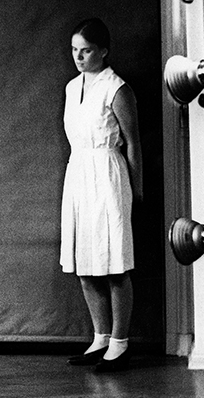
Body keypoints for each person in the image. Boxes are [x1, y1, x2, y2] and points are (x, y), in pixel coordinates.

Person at [59, 18, 142, 372]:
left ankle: (121, 344)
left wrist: (137, 192)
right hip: (78, 174)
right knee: (84, 263)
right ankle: (101, 337)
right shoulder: (70, 87)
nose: (79, 57)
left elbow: (134, 143)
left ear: (104, 51)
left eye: (87, 50)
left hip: (108, 176)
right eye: (75, 50)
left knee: (113, 264)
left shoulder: (117, 89)